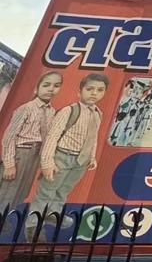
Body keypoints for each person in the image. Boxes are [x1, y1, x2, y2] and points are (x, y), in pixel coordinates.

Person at [29, 73, 109, 240]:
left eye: (100, 90)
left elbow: (93, 137)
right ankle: (32, 228)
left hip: (81, 160)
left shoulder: (97, 113)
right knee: (45, 192)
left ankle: (53, 213)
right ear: (79, 92)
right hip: (62, 157)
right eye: (90, 89)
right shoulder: (69, 110)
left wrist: (92, 157)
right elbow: (52, 136)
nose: (94, 93)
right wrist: (47, 162)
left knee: (63, 190)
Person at [0, 72, 62, 232]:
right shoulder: (26, 108)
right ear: (37, 88)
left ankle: (4, 215)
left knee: (22, 189)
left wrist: (44, 163)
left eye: (56, 86)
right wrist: (9, 164)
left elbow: (47, 137)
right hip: (20, 152)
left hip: (34, 155)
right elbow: (9, 137)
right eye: (46, 85)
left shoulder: (51, 112)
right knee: (8, 189)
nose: (51, 89)